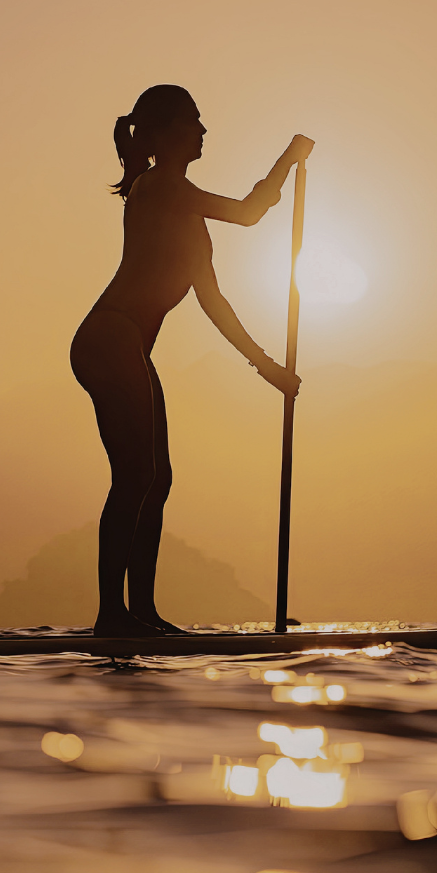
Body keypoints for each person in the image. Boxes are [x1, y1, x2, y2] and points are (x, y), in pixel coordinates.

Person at [72, 84, 311, 637]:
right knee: (136, 476)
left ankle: (143, 614)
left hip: (128, 346)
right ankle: (113, 616)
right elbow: (251, 214)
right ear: (163, 134)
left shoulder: (185, 216)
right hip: (110, 339)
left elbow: (215, 305)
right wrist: (288, 159)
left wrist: (268, 368)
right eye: (194, 121)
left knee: (157, 479)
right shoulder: (159, 187)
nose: (204, 131)